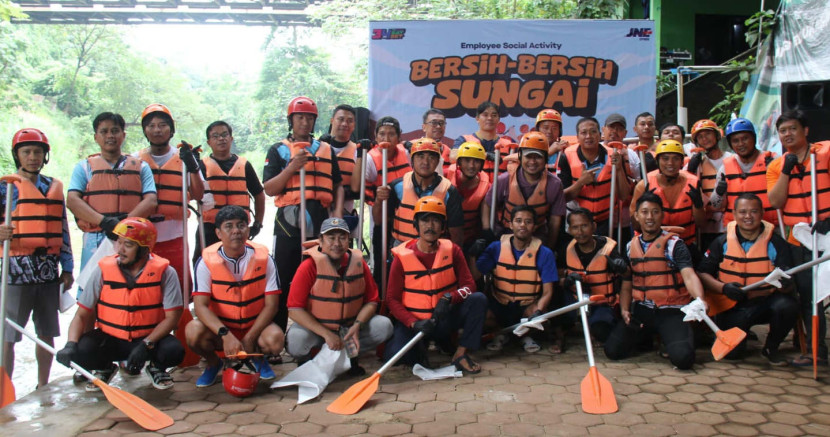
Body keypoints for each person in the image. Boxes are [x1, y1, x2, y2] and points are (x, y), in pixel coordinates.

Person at [56, 218, 184, 391]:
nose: (120, 249)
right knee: (82, 350)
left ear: (145, 250)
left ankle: (156, 368)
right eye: (119, 242)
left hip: (148, 339)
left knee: (174, 350)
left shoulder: (166, 273)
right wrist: (70, 344)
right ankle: (105, 367)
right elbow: (81, 314)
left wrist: (146, 344)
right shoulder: (102, 270)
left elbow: (172, 318)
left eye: (128, 245)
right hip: (111, 339)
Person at [262, 96, 344, 331]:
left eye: (309, 118)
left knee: (321, 275)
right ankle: (277, 331)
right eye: (300, 117)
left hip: (321, 218)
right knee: (284, 276)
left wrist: (336, 214)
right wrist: (291, 168)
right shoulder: (278, 150)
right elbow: (269, 188)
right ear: (291, 120)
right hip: (289, 220)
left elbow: (337, 185)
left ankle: (317, 332)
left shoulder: (326, 149)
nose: (305, 123)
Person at [0, 128, 74, 389]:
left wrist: (67, 267)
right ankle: (5, 389)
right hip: (14, 271)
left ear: (45, 156)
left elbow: (63, 228)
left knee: (47, 333)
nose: (32, 157)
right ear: (17, 155)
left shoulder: (52, 186)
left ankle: (43, 385)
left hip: (47, 272)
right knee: (7, 336)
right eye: (26, 152)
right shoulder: (5, 187)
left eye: (37, 152)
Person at [385, 196, 486, 374]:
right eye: (424, 220)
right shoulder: (401, 258)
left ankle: (460, 353)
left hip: (444, 319)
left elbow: (470, 286)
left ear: (443, 227)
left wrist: (450, 297)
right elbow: (392, 299)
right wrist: (412, 323)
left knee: (478, 300)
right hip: (416, 324)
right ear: (415, 225)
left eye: (435, 221)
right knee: (395, 355)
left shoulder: (453, 250)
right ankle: (423, 346)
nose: (430, 226)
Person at [604, 192, 705, 370]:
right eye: (644, 212)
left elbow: (689, 275)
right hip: (644, 310)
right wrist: (625, 310)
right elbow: (627, 283)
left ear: (662, 214)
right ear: (636, 215)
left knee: (683, 359)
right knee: (612, 351)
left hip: (672, 310)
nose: (649, 217)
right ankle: (650, 338)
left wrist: (699, 300)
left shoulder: (674, 244)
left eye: (655, 212)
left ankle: (672, 337)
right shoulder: (630, 246)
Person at [186, 206, 284, 386]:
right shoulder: (205, 262)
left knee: (275, 340)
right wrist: (225, 335)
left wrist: (250, 337)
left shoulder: (265, 259)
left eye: (241, 225)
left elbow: (272, 305)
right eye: (229, 226)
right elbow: (200, 307)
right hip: (221, 327)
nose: (236, 231)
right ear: (218, 233)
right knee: (192, 331)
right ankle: (214, 363)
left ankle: (258, 358)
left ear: (248, 229)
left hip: (253, 324)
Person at [698, 194, 798, 364]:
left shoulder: (776, 243)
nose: (748, 216)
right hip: (733, 304)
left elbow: (788, 280)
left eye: (754, 211)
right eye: (743, 212)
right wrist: (724, 288)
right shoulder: (721, 242)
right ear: (734, 214)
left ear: (762, 213)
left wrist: (786, 285)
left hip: (765, 302)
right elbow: (702, 274)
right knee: (733, 354)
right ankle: (743, 336)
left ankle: (771, 347)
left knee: (787, 305)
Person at [285, 217, 393, 374]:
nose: (337, 243)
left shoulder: (358, 263)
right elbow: (294, 310)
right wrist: (327, 335)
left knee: (384, 326)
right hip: (318, 330)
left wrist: (356, 326)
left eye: (342, 237)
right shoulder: (308, 266)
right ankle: (311, 361)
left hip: (348, 328)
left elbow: (372, 302)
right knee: (296, 340)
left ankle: (348, 357)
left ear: (349, 241)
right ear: (320, 241)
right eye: (331, 237)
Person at [767, 109, 829, 366]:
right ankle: (816, 351)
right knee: (807, 294)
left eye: (792, 128)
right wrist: (786, 172)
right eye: (783, 131)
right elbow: (775, 201)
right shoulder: (777, 166)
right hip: (798, 239)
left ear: (805, 130)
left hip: (827, 233)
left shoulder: (824, 153)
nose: (787, 134)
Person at [67, 113, 157, 279]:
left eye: (115, 131)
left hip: (132, 238)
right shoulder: (84, 168)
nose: (110, 135)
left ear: (123, 135)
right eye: (104, 131)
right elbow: (72, 200)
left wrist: (123, 224)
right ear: (96, 137)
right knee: (92, 288)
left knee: (130, 286)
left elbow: (151, 201)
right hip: (95, 239)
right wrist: (104, 221)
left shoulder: (141, 167)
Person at [137, 103, 205, 290]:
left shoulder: (185, 159)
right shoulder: (135, 161)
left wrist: (193, 167)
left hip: (175, 234)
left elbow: (199, 195)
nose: (157, 130)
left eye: (162, 125)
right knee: (147, 289)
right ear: (145, 131)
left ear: (171, 129)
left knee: (178, 289)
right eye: (151, 126)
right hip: (142, 236)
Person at [475, 206, 556, 353]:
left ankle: (525, 335)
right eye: (518, 221)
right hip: (499, 303)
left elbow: (548, 292)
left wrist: (538, 311)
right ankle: (500, 334)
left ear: (534, 226)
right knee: (481, 314)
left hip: (526, 306)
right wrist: (472, 255)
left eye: (528, 221)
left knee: (541, 313)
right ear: (511, 224)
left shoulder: (544, 253)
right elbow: (475, 275)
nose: (523, 225)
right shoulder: (496, 247)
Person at [349, 116, 411, 288]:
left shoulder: (407, 153)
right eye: (382, 134)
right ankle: (380, 295)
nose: (386, 138)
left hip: (406, 216)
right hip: (381, 215)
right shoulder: (370, 157)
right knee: (381, 260)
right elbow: (356, 187)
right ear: (376, 137)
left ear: (399, 137)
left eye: (391, 134)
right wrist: (361, 155)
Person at [482, 131, 566, 250]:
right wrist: (487, 229)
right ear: (520, 157)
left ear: (546, 159)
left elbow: (555, 221)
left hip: (537, 235)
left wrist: (550, 248)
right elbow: (487, 204)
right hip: (507, 233)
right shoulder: (505, 179)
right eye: (528, 156)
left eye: (538, 157)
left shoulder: (555, 184)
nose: (532, 162)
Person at [375, 137, 464, 247]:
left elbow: (457, 236)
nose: (425, 162)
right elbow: (379, 221)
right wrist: (379, 201)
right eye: (420, 156)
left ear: (437, 162)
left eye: (431, 157)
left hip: (435, 249)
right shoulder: (397, 186)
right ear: (412, 160)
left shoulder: (449, 191)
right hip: (402, 247)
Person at [195, 121, 265, 261]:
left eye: (224, 134)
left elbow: (259, 194)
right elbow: (194, 193)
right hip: (210, 227)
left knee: (240, 262)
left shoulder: (244, 165)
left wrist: (258, 223)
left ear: (231, 139)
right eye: (215, 136)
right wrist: (192, 168)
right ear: (209, 142)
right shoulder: (201, 166)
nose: (221, 139)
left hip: (238, 228)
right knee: (203, 262)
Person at [562, 208, 628, 343]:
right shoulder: (567, 248)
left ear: (594, 226)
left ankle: (596, 328)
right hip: (576, 301)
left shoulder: (608, 250)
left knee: (601, 331)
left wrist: (622, 267)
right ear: (569, 230)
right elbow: (556, 276)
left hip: (601, 304)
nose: (580, 232)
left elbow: (626, 275)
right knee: (557, 302)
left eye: (584, 226)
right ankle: (561, 335)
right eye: (575, 227)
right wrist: (566, 280)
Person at [558, 117, 632, 239]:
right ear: (577, 137)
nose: (588, 136)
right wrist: (580, 183)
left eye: (593, 131)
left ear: (600, 135)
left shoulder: (614, 155)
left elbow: (624, 195)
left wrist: (619, 169)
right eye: (584, 132)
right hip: (576, 222)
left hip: (605, 221)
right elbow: (562, 197)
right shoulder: (567, 156)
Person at [630, 139, 706, 252]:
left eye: (676, 158)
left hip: (684, 245)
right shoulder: (644, 185)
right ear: (658, 161)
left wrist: (698, 206)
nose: (670, 163)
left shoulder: (693, 184)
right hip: (651, 245)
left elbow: (701, 224)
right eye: (665, 158)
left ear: (682, 162)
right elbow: (635, 224)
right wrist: (645, 211)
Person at [709, 118, 778, 227]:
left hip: (770, 226)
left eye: (745, 138)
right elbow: (715, 205)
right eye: (735, 141)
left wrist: (774, 170)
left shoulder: (772, 161)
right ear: (731, 144)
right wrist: (719, 193)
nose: (741, 144)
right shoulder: (725, 168)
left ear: (754, 139)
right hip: (737, 230)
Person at [686, 119, 732, 250]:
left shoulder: (731, 159)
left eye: (708, 134)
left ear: (717, 136)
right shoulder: (696, 163)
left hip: (731, 221)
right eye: (700, 136)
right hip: (707, 225)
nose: (704, 139)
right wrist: (690, 170)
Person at [452, 101, 516, 182]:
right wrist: (483, 155)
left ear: (499, 120)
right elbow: (453, 157)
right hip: (472, 189)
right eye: (485, 115)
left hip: (500, 191)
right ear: (477, 119)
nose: (489, 118)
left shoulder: (510, 144)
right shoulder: (464, 140)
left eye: (494, 115)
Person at [444, 142, 490, 251]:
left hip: (469, 242)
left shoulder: (487, 187)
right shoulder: (445, 176)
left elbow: (485, 222)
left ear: (482, 164)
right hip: (443, 239)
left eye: (477, 161)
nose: (471, 166)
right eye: (467, 160)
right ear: (459, 162)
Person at [535, 109, 571, 175]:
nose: (549, 131)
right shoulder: (529, 145)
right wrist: (549, 152)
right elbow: (515, 158)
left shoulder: (565, 149)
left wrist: (569, 152)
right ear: (538, 130)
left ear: (559, 131)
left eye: (554, 128)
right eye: (545, 128)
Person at [421, 108, 452, 174]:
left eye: (441, 123)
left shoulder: (450, 153)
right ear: (424, 127)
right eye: (434, 123)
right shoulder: (410, 148)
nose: (438, 126)